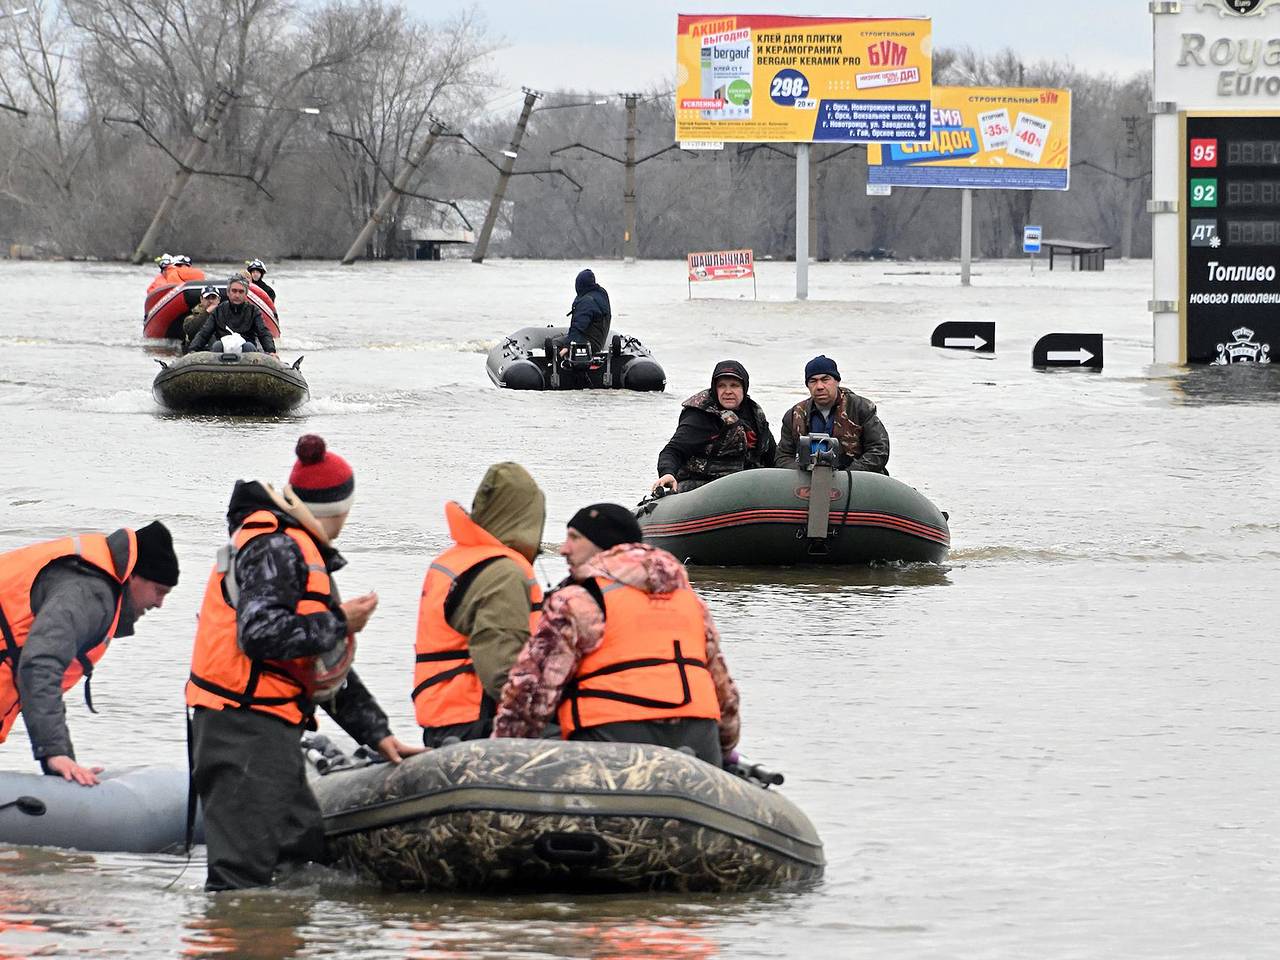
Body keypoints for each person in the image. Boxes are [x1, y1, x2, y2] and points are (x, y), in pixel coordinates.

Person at [186, 434, 422, 891]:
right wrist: (340, 620)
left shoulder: (294, 546)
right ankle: (236, 939)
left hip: (267, 727)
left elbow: (317, 668)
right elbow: (260, 636)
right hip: (242, 728)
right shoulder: (276, 547)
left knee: (303, 847)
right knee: (241, 878)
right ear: (340, 510)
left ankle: (291, 937)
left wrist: (378, 734)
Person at [492, 504, 739, 766]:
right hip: (698, 744)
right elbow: (724, 694)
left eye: (574, 538)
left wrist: (501, 756)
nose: (564, 548)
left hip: (611, 746)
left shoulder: (578, 601)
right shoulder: (690, 601)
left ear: (603, 545)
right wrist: (724, 751)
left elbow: (531, 693)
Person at [0, 521, 179, 786]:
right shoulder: (90, 594)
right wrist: (56, 754)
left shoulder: (89, 581)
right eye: (159, 591)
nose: (159, 604)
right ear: (133, 577)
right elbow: (40, 662)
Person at [414, 463, 546, 747]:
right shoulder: (503, 573)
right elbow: (502, 669)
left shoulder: (452, 561)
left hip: (443, 718)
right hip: (479, 723)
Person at [653, 360, 776, 494]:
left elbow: (772, 456)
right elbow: (673, 450)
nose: (728, 391)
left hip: (746, 486)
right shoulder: (700, 416)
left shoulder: (754, 416)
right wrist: (667, 472)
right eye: (722, 386)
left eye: (734, 386)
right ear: (715, 388)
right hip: (703, 486)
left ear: (744, 388)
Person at [775, 355, 890, 473]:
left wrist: (847, 475)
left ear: (837, 381)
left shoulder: (861, 408)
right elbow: (783, 457)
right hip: (807, 480)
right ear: (807, 385)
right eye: (813, 381)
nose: (819, 386)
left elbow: (879, 450)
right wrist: (804, 472)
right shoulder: (794, 415)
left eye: (825, 379)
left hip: (854, 479)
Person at [188, 276, 277, 355]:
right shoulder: (219, 310)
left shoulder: (254, 311)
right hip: (222, 349)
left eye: (241, 292)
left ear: (245, 294)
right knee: (216, 346)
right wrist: (193, 350)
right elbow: (204, 333)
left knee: (248, 346)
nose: (237, 295)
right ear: (228, 293)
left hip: (247, 349)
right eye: (234, 291)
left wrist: (271, 351)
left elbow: (263, 333)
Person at [553, 268, 612, 359]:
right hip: (599, 341)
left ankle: (557, 366)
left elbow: (578, 326)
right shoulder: (601, 293)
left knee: (555, 343)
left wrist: (567, 346)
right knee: (563, 337)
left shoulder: (586, 302)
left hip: (588, 344)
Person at [181, 286, 220, 353]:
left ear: (218, 299)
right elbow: (191, 331)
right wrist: (207, 313)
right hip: (197, 355)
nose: (210, 301)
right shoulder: (191, 318)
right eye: (207, 298)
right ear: (201, 299)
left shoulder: (225, 315)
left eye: (213, 298)